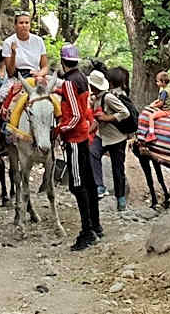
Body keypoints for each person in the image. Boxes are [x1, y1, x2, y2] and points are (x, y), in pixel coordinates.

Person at [54, 44, 101, 251]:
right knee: (89, 182)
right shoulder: (82, 78)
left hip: (73, 139)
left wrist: (60, 129)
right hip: (83, 136)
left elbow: (74, 114)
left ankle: (86, 232)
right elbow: (83, 106)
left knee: (77, 184)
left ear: (62, 61)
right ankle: (96, 225)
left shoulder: (69, 83)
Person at [89, 68, 131, 211]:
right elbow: (98, 118)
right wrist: (90, 130)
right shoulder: (97, 98)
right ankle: (99, 186)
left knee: (117, 169)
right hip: (102, 136)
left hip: (117, 138)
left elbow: (125, 112)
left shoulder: (108, 97)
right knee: (92, 152)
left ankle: (121, 200)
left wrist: (108, 118)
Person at [1, 11, 49, 80]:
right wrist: (13, 54)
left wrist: (39, 74)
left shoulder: (38, 41)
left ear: (30, 25)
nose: (24, 25)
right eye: (21, 23)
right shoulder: (8, 42)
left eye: (27, 23)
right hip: (16, 77)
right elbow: (10, 73)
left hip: (36, 76)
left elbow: (45, 67)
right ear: (15, 25)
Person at [142, 70, 170, 142]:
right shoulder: (168, 88)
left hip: (167, 110)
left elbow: (161, 103)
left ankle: (151, 134)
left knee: (151, 116)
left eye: (158, 81)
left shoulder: (164, 91)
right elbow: (159, 99)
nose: (156, 83)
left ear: (163, 82)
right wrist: (153, 103)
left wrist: (153, 106)